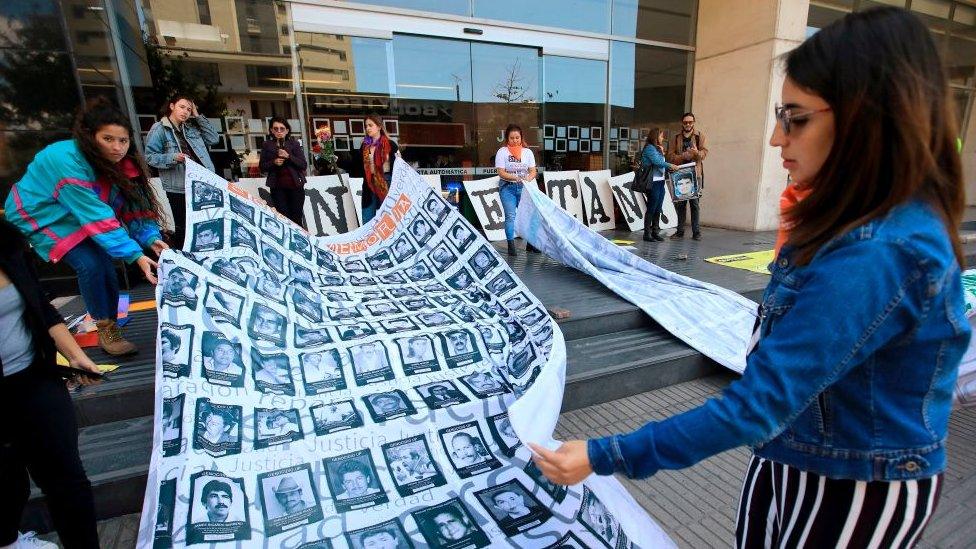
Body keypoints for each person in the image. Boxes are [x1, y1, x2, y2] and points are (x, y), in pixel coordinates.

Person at [530, 8, 969, 548]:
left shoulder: (880, 252)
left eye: (796, 118)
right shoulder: (842, 218)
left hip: (853, 484)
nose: (775, 140)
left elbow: (761, 401)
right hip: (795, 455)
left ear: (867, 118)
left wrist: (604, 455)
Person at [4, 99, 166, 356]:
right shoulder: (65, 158)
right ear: (90, 137)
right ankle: (104, 326)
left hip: (80, 214)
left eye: (122, 141)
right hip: (43, 215)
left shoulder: (125, 165)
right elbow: (95, 215)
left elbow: (134, 209)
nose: (117, 147)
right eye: (108, 139)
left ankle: (110, 324)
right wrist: (135, 254)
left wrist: (150, 238)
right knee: (91, 263)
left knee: (105, 265)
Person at [0, 219, 102, 548]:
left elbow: (43, 310)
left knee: (68, 480)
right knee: (8, 481)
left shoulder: (8, 245)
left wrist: (75, 357)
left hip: (34, 378)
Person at [144, 94, 219, 248]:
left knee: (207, 224)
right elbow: (150, 157)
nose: (185, 112)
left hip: (201, 184)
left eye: (189, 109)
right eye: (182, 107)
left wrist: (197, 116)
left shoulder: (191, 127)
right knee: (184, 227)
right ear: (172, 106)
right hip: (178, 187)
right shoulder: (159, 128)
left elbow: (213, 139)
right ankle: (184, 261)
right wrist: (173, 158)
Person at [494, 124, 538, 256]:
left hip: (524, 187)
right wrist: (516, 177)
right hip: (508, 188)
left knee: (530, 216)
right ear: (507, 138)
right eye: (512, 138)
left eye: (517, 137)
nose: (515, 140)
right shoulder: (502, 152)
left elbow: (533, 171)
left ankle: (530, 244)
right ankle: (511, 246)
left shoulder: (527, 152)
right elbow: (501, 172)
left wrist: (528, 179)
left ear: (521, 137)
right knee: (510, 217)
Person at [259, 117, 308, 227]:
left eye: (282, 128)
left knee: (296, 218)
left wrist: (289, 156)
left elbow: (303, 164)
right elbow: (262, 167)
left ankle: (299, 242)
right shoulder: (267, 145)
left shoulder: (293, 144)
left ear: (287, 130)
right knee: (283, 218)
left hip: (295, 186)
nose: (279, 131)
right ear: (271, 130)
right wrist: (274, 162)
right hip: (277, 188)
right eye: (276, 129)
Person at [666, 112, 708, 240]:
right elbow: (669, 156)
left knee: (695, 204)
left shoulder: (699, 136)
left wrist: (696, 153)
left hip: (695, 175)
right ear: (682, 123)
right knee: (681, 204)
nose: (688, 124)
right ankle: (680, 232)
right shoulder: (676, 137)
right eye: (685, 122)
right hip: (680, 174)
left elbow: (704, 153)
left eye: (690, 122)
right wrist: (683, 156)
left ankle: (696, 233)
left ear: (693, 123)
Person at [638, 128, 679, 242]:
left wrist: (661, 151)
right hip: (653, 182)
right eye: (661, 136)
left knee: (658, 207)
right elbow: (658, 162)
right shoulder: (649, 148)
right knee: (652, 207)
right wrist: (671, 165)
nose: (663, 138)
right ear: (655, 137)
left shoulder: (657, 148)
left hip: (660, 181)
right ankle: (647, 233)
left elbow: (660, 162)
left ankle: (655, 232)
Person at [360, 114, 399, 223]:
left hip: (386, 183)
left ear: (379, 127)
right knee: (367, 219)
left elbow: (399, 166)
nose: (367, 128)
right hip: (369, 184)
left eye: (370, 125)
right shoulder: (365, 146)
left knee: (389, 218)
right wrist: (331, 156)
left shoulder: (390, 144)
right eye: (366, 126)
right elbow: (356, 166)